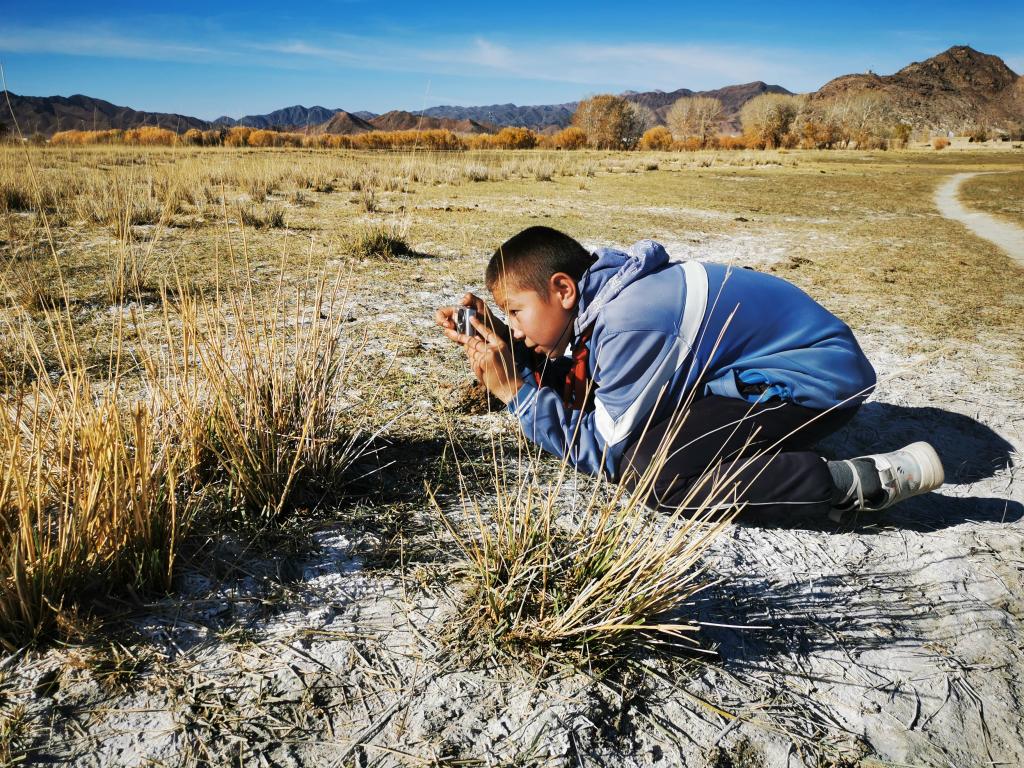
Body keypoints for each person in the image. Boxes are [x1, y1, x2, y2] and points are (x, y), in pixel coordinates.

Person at [435, 226, 944, 521]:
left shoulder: (632, 321)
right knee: (649, 445)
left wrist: (516, 391)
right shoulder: (612, 297)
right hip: (771, 372)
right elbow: (595, 387)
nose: (514, 327)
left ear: (564, 289)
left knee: (653, 474)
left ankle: (855, 483)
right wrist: (511, 350)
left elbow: (602, 451)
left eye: (515, 312)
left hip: (816, 386)